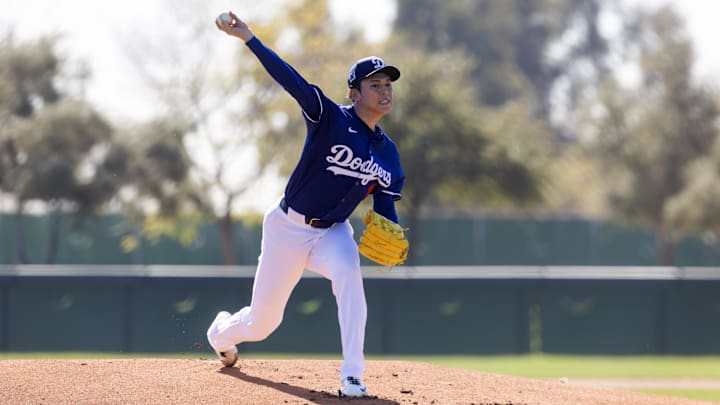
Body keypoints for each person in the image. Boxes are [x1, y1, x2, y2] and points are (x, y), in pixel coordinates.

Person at [207, 11, 405, 398]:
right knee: (262, 324)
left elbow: (385, 204)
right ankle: (220, 333)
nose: (385, 91)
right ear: (354, 93)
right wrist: (249, 38)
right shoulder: (329, 117)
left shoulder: (389, 155)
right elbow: (290, 79)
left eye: (388, 85)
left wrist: (390, 232)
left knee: (350, 279)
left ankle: (352, 375)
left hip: (333, 232)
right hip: (287, 228)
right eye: (375, 84)